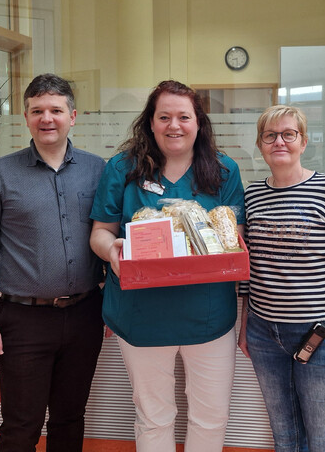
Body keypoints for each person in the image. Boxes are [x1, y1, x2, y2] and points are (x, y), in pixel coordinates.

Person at [89, 80, 245, 452]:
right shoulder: (122, 168)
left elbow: (233, 236)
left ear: (198, 122)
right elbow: (100, 233)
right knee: (153, 416)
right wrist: (112, 251)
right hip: (141, 314)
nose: (174, 125)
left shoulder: (224, 169)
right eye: (164, 117)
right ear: (151, 122)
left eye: (184, 117)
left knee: (211, 416)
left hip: (208, 315)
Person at [0, 73, 106, 452]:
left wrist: (115, 305)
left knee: (70, 418)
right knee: (20, 427)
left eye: (56, 110)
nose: (47, 118)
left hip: (86, 315)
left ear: (72, 116)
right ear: (25, 117)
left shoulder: (98, 171)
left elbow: (113, 236)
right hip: (23, 321)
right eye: (37, 110)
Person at [237, 104, 325, 452]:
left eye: (288, 134)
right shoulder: (251, 195)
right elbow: (249, 268)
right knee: (286, 438)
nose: (279, 142)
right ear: (260, 144)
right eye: (270, 135)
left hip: (322, 335)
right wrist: (245, 325)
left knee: (324, 441)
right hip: (264, 334)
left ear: (303, 141)